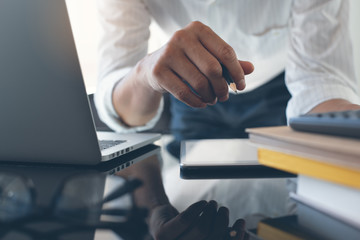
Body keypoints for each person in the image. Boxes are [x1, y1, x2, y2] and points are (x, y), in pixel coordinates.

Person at [94, 0, 360, 237]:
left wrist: (348, 126)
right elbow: (121, 109)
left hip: (284, 97)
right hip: (193, 98)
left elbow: (321, 81)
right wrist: (145, 74)